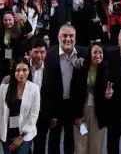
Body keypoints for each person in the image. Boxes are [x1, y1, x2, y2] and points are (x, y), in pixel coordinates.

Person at [40, 24, 89, 154]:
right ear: (58, 37)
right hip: (55, 106)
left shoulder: (83, 53)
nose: (68, 39)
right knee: (53, 141)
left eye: (71, 36)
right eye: (64, 36)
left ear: (76, 38)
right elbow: (46, 88)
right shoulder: (49, 54)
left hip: (73, 105)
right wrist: (51, 113)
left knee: (71, 141)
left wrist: (80, 113)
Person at [0, 60, 41, 154]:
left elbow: (33, 115)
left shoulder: (34, 89)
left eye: (24, 70)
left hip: (25, 132)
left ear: (29, 71)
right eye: (18, 70)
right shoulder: (4, 87)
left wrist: (22, 136)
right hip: (7, 132)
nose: (21, 73)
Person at [71, 42, 110, 154]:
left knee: (96, 147)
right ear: (89, 54)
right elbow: (74, 93)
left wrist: (107, 97)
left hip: (99, 113)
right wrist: (77, 115)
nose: (98, 55)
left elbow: (110, 95)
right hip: (82, 111)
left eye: (100, 52)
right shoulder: (81, 68)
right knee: (81, 146)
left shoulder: (106, 70)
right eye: (95, 52)